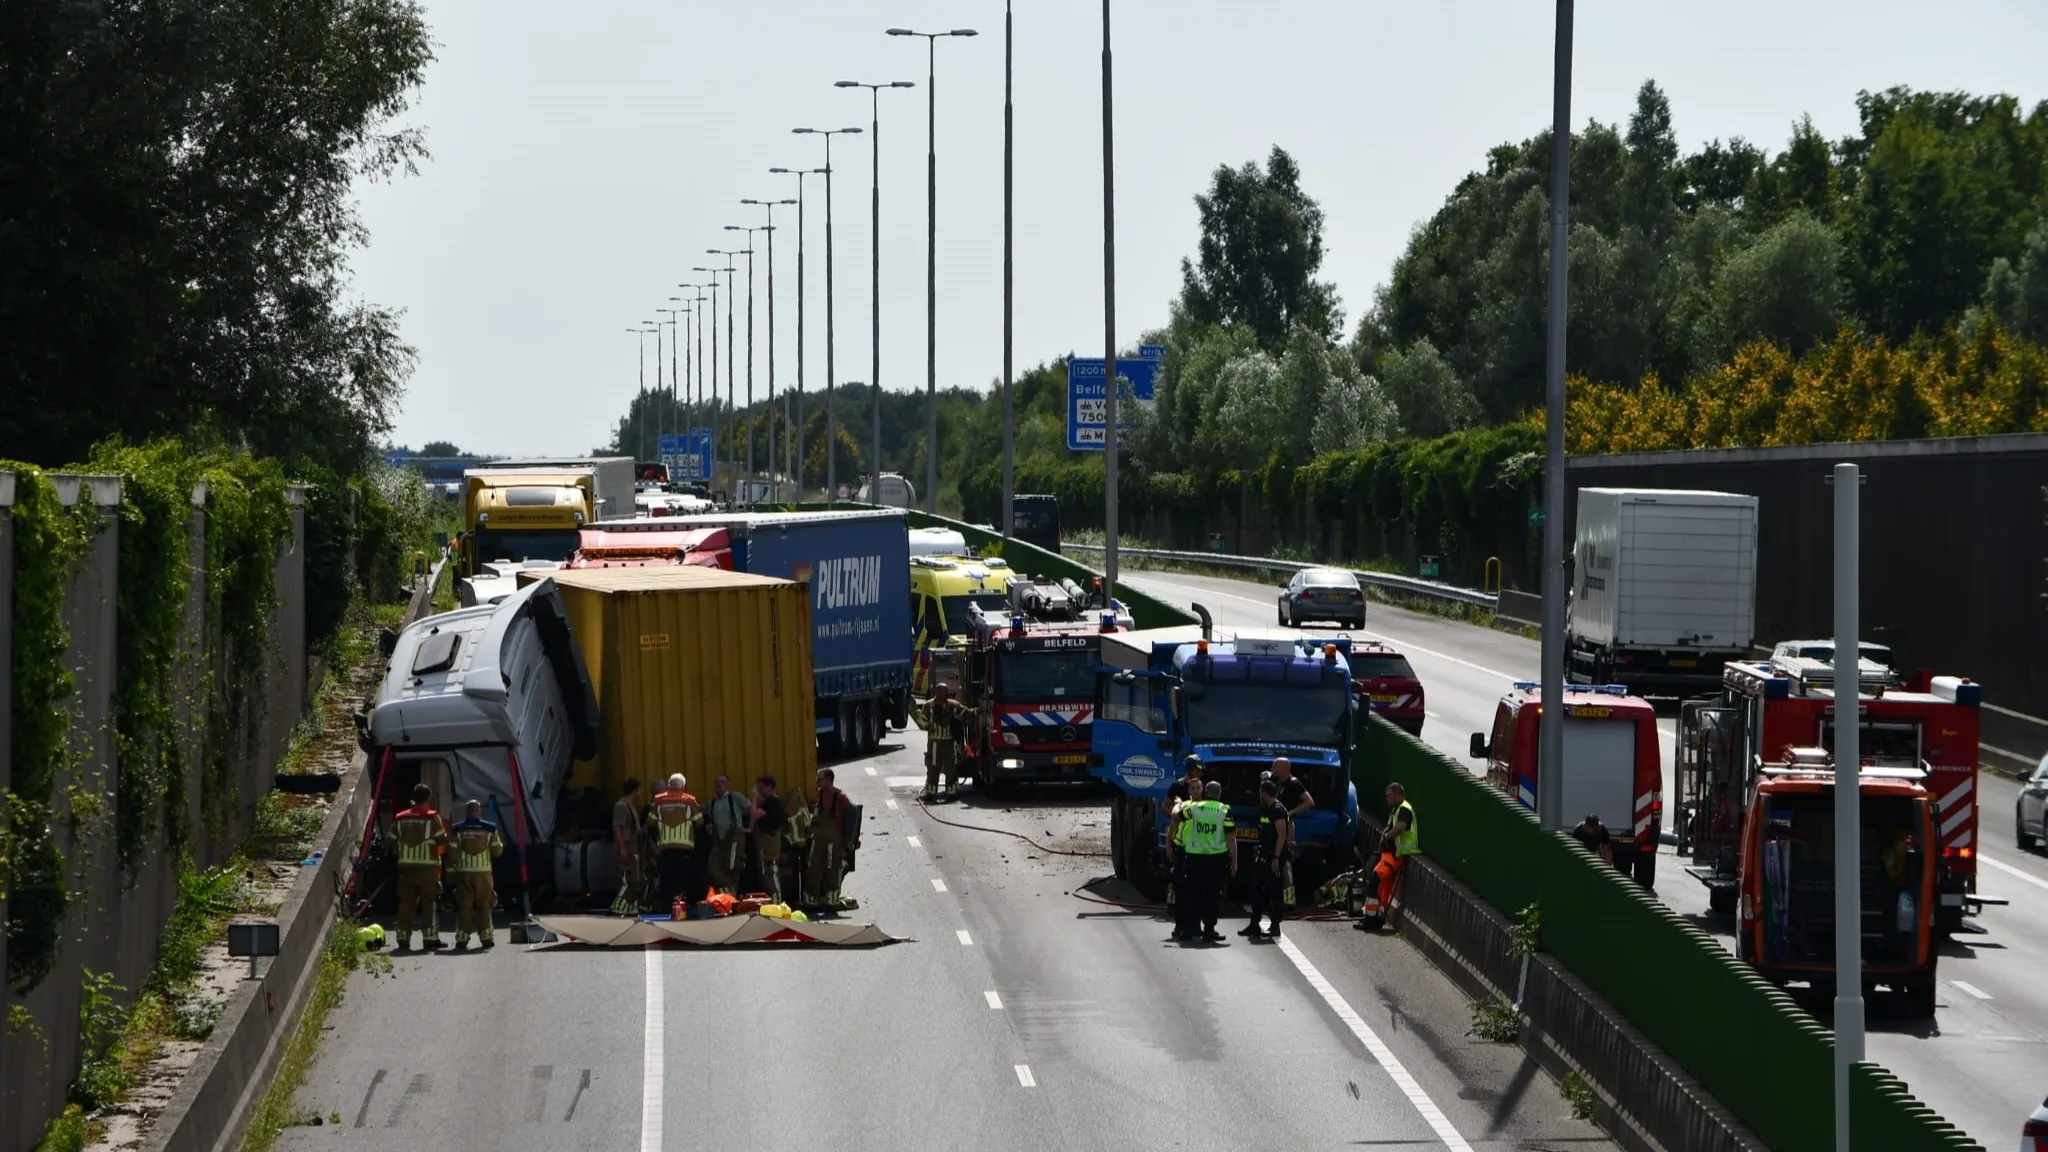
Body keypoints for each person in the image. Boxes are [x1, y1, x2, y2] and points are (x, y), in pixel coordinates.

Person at [389, 783, 448, 951]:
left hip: (406, 871)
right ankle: (430, 940)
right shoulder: (432, 817)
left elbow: (390, 840)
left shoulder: (400, 818)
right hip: (428, 871)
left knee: (406, 904)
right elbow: (442, 840)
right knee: (429, 904)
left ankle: (403, 940)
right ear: (427, 799)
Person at [1179, 781, 1236, 944]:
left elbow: (1179, 816)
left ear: (1205, 791)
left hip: (1194, 856)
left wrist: (1178, 805)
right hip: (1216, 858)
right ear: (1219, 794)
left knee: (1192, 893)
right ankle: (1209, 930)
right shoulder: (1224, 810)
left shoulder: (1195, 807)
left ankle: (1190, 929)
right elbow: (1231, 837)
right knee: (1212, 895)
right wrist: (1234, 861)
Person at [446, 799, 503, 950]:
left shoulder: (458, 830)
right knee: (484, 906)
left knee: (465, 907)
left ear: (466, 812)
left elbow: (451, 854)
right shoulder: (490, 829)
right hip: (484, 875)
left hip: (464, 874)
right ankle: (486, 939)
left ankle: (462, 940)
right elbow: (497, 851)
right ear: (479, 811)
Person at [1363, 782, 1418, 931]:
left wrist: (1386, 837)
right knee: (1383, 888)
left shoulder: (1404, 809)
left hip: (1397, 855)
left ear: (1397, 794)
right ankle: (1377, 918)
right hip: (1390, 854)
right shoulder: (1396, 809)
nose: (1387, 798)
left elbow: (1400, 827)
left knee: (1374, 879)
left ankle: (1370, 918)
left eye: (1389, 795)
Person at [1241, 779, 1291, 940]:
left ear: (1264, 792)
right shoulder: (1266, 809)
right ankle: (1254, 924)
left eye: (1260, 792)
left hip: (1274, 857)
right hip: (1263, 855)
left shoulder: (1278, 810)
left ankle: (1275, 925)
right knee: (1256, 889)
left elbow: (1282, 836)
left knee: (1274, 891)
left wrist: (1276, 858)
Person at [646, 774, 700, 911]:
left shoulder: (658, 800)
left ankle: (665, 909)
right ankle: (680, 910)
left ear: (669, 784)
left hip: (665, 849)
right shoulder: (690, 800)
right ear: (682, 785)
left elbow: (650, 822)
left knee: (666, 882)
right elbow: (699, 822)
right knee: (681, 882)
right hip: (684, 849)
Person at [806, 768, 852, 907]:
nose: (817, 782)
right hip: (818, 837)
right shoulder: (820, 795)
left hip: (833, 838)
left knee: (832, 867)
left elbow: (852, 815)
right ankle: (811, 900)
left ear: (828, 780)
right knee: (814, 866)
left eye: (820, 779)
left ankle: (832, 900)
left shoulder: (840, 797)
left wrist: (848, 839)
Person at [919, 684, 971, 801]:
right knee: (933, 768)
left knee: (951, 768)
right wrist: (928, 726)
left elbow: (965, 712)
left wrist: (977, 711)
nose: (945, 694)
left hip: (949, 744)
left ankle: (951, 792)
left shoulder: (952, 705)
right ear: (937, 692)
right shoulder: (929, 706)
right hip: (935, 744)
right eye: (942, 692)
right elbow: (921, 722)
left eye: (946, 691)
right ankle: (930, 793)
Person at [705, 774, 751, 894]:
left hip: (734, 838)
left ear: (728, 784)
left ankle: (732, 893)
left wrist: (750, 827)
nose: (719, 785)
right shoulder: (712, 803)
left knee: (733, 866)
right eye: (717, 783)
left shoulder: (735, 797)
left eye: (722, 782)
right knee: (712, 867)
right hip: (719, 840)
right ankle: (726, 889)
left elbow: (752, 809)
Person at [610, 777, 646, 915]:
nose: (640, 793)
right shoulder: (621, 806)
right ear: (634, 790)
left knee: (636, 879)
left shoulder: (631, 806)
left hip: (634, 846)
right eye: (639, 790)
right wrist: (623, 847)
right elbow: (617, 827)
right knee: (629, 879)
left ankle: (631, 908)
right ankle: (618, 908)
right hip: (628, 845)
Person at [750, 775, 787, 900]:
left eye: (761, 787)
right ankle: (772, 899)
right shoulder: (767, 802)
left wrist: (754, 798)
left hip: (770, 841)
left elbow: (754, 815)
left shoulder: (773, 801)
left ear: (770, 786)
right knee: (765, 872)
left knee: (771, 871)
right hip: (764, 841)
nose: (759, 790)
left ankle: (777, 900)